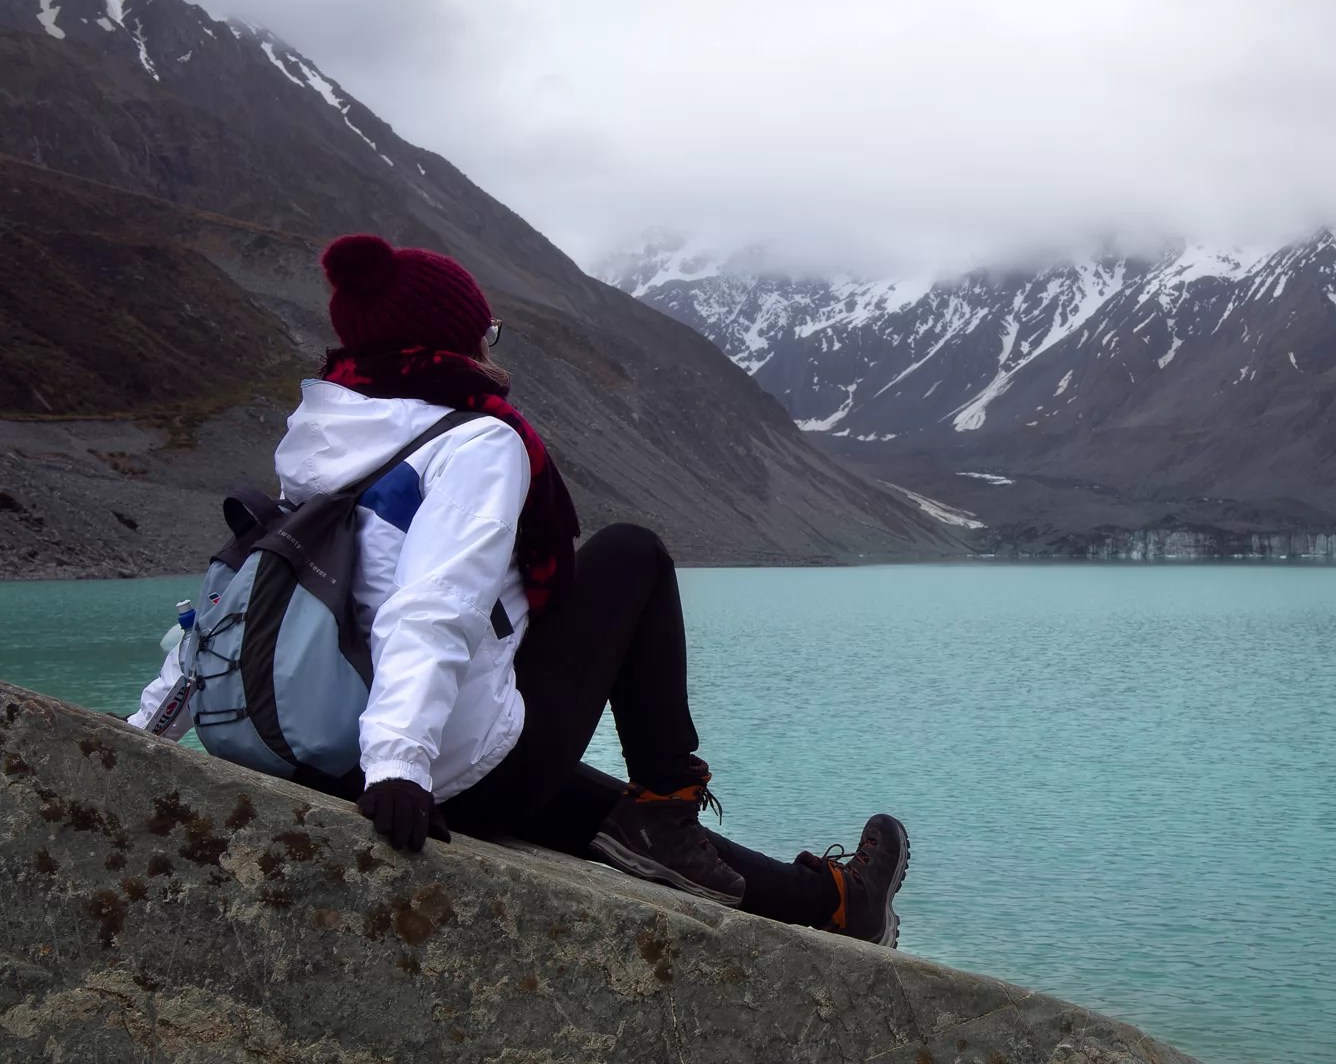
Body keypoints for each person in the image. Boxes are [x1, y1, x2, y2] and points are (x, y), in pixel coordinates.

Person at [127, 233, 909, 948]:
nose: (491, 348)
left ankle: (836, 904)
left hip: (322, 756)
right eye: (486, 331)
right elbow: (434, 604)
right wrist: (399, 764)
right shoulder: (472, 441)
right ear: (451, 339)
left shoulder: (323, 444)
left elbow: (235, 602)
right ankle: (670, 803)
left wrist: (144, 734)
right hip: (421, 771)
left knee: (605, 813)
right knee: (630, 556)